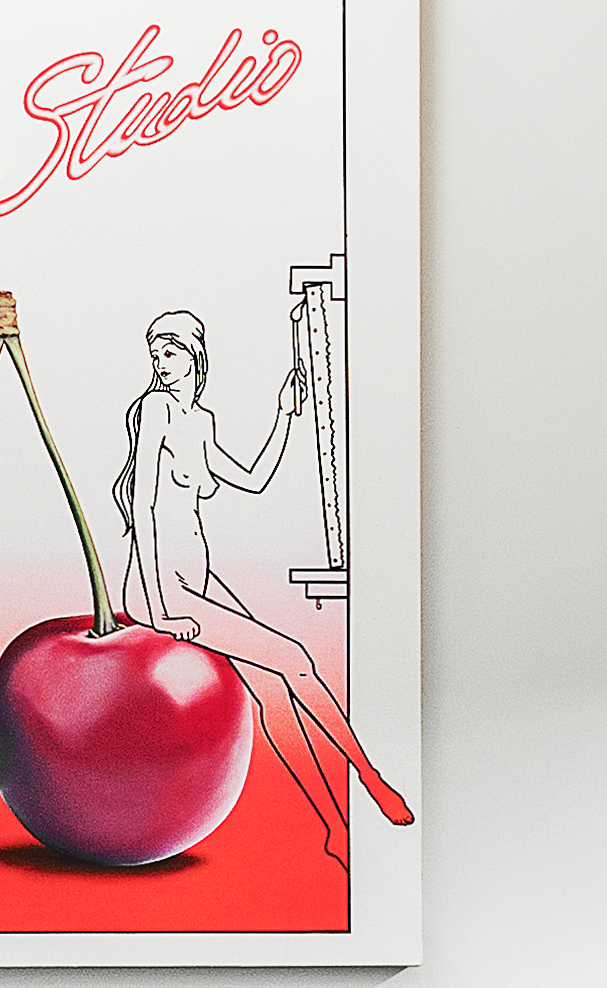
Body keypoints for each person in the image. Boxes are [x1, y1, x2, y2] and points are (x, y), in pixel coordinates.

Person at [112, 295, 414, 830]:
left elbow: (253, 479)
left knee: (275, 689)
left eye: (171, 352)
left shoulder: (200, 421)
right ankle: (368, 778)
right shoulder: (154, 411)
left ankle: (335, 827)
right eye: (155, 353)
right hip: (162, 585)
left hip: (194, 581)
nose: (160, 363)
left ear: (195, 357)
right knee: (295, 656)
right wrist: (161, 611)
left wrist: (284, 415)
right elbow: (144, 504)